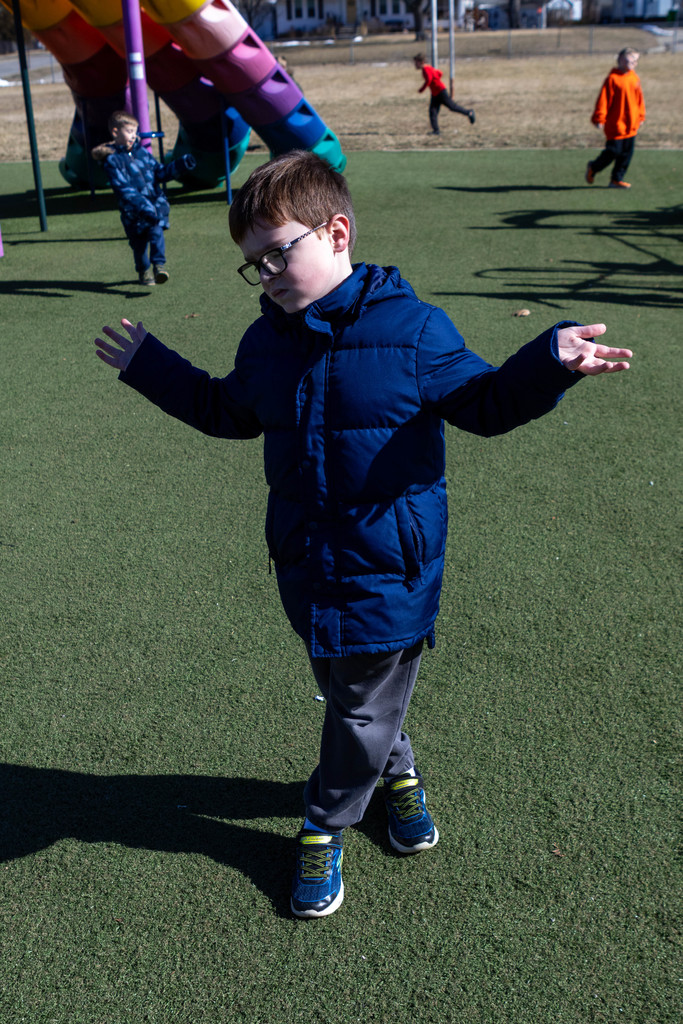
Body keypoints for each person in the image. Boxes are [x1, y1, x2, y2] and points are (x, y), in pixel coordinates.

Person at [94, 151, 632, 919]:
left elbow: (484, 404)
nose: (269, 273)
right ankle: (400, 776)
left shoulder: (413, 331)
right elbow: (228, 413)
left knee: (356, 704)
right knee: (355, 692)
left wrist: (546, 362)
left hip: (389, 568)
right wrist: (154, 368)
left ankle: (324, 821)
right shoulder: (268, 341)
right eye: (255, 264)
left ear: (336, 231)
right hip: (304, 562)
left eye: (279, 251)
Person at [92, 111, 196, 286]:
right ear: (116, 132)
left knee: (156, 232)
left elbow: (159, 173)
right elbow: (123, 189)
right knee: (139, 247)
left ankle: (159, 266)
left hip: (153, 208)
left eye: (135, 131)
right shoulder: (112, 161)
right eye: (129, 131)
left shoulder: (142, 153)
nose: (134, 135)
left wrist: (181, 165)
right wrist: (143, 206)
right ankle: (143, 270)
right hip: (133, 214)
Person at [586, 47, 645, 190]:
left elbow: (639, 100)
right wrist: (600, 118)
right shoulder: (613, 79)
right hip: (616, 124)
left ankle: (616, 179)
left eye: (634, 61)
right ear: (619, 60)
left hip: (631, 125)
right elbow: (604, 100)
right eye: (628, 60)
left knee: (626, 155)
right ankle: (594, 167)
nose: (631, 63)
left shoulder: (634, 77)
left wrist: (641, 116)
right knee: (613, 151)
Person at [413, 53, 475, 135]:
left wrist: (422, 89)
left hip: (440, 91)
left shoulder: (425, 69)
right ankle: (436, 131)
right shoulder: (429, 67)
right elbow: (440, 73)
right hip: (435, 93)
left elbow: (429, 80)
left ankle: (469, 112)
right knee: (433, 111)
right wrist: (436, 80)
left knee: (452, 107)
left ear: (421, 62)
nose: (415, 65)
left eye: (416, 62)